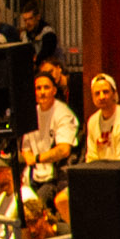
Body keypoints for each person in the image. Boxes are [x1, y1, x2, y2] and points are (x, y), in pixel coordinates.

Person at [20, 67, 78, 198]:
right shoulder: (31, 114)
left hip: (55, 179)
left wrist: (36, 158)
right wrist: (30, 157)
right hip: (33, 176)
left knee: (38, 203)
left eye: (46, 88)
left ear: (54, 91)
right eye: (38, 88)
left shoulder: (63, 113)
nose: (42, 92)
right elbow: (26, 149)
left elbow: (64, 150)